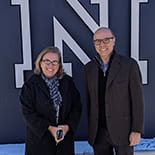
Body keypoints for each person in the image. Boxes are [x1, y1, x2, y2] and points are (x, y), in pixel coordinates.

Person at [84, 27, 144, 155]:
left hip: (124, 132)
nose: (102, 45)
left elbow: (137, 100)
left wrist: (136, 130)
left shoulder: (129, 65)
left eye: (106, 40)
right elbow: (90, 101)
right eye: (98, 41)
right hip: (98, 133)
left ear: (114, 41)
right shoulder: (89, 68)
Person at [20, 46, 82, 155]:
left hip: (64, 141)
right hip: (39, 142)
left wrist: (67, 127)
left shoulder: (68, 83)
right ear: (40, 63)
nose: (50, 66)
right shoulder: (30, 85)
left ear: (59, 65)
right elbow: (28, 112)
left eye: (54, 62)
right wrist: (49, 128)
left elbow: (76, 107)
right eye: (47, 61)